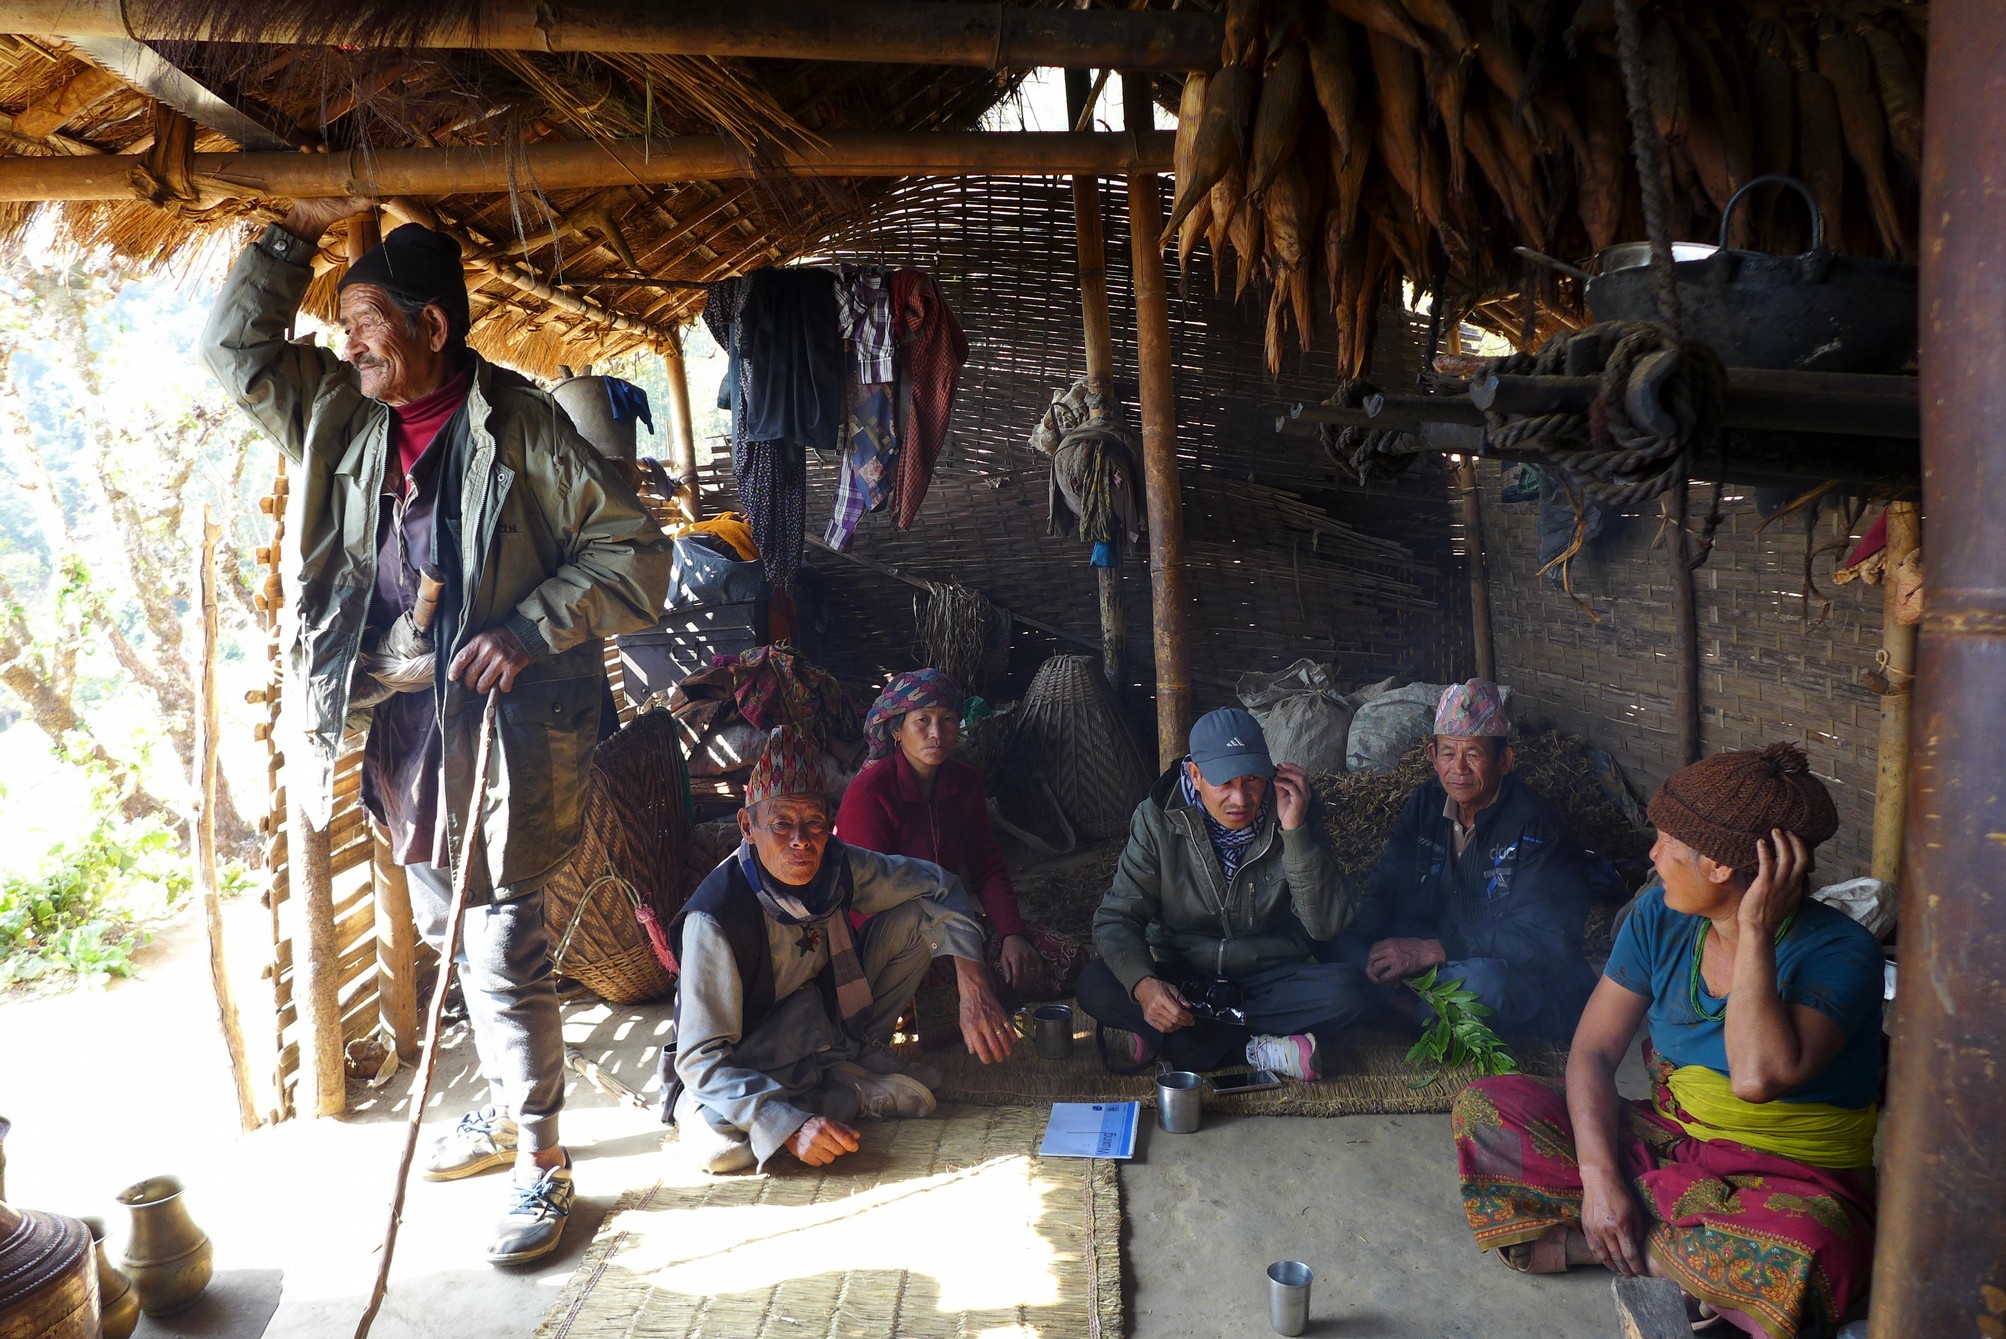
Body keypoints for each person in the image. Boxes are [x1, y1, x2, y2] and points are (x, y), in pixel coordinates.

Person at [202, 200, 672, 1265]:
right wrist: (289, 239)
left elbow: (637, 559)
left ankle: (544, 1163)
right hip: (396, 726)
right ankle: (511, 1107)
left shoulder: (523, 427)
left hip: (503, 731)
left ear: (432, 329)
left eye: (365, 320)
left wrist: (530, 627)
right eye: (342, 323)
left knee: (503, 938)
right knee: (447, 924)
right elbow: (231, 352)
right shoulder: (335, 412)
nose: (347, 341)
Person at [1452, 743, 1882, 1337]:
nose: (1652, 858)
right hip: (1672, 1143)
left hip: (1790, 1181)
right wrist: (1601, 1180)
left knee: (1812, 1254)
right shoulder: (1660, 915)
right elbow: (1593, 1053)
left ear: (1722, 868)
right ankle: (1682, 1261)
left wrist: (1753, 931)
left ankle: (1614, 1249)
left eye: (1668, 846)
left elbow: (1757, 1078)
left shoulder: (1841, 954)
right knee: (1491, 1106)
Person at [665, 725, 1016, 1174]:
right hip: (751, 1053)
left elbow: (942, 886)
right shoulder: (714, 918)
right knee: (722, 1151)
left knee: (919, 916)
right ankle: (846, 1091)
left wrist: (973, 983)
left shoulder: (838, 864)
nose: (800, 840)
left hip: (826, 1025)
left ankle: (846, 1062)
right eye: (780, 824)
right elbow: (701, 1059)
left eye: (813, 822)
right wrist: (788, 1126)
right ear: (747, 826)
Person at [1075, 706, 1370, 1079]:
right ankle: (1254, 1048)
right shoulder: (1156, 820)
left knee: (1347, 991)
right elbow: (1116, 918)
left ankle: (1180, 1041)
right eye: (1225, 783)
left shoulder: (1295, 811)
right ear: (1195, 775)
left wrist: (1294, 833)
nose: (1241, 799)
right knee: (1095, 983)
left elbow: (1326, 926)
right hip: (1183, 976)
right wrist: (1146, 987)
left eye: (1252, 780)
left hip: (1265, 978)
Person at [1338, 680, 1610, 1040]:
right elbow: (1388, 886)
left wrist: (1437, 949)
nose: (1459, 769)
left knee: (1485, 984)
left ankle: (1402, 1010)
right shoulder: (1426, 804)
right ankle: (1406, 1005)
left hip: (1518, 975)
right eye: (1449, 753)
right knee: (1339, 945)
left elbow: (1545, 937)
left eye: (1474, 754)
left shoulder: (1536, 827)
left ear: (1504, 760)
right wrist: (1373, 949)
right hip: (1434, 962)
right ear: (1433, 758)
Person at [836, 669, 1087, 1045]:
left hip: (958, 924)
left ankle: (970, 998)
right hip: (899, 942)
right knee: (943, 1006)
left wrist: (1012, 934)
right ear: (895, 731)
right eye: (922, 721)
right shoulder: (870, 794)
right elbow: (865, 905)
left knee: (1063, 960)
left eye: (948, 720)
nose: (937, 733)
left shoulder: (964, 782)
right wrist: (959, 965)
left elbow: (987, 866)